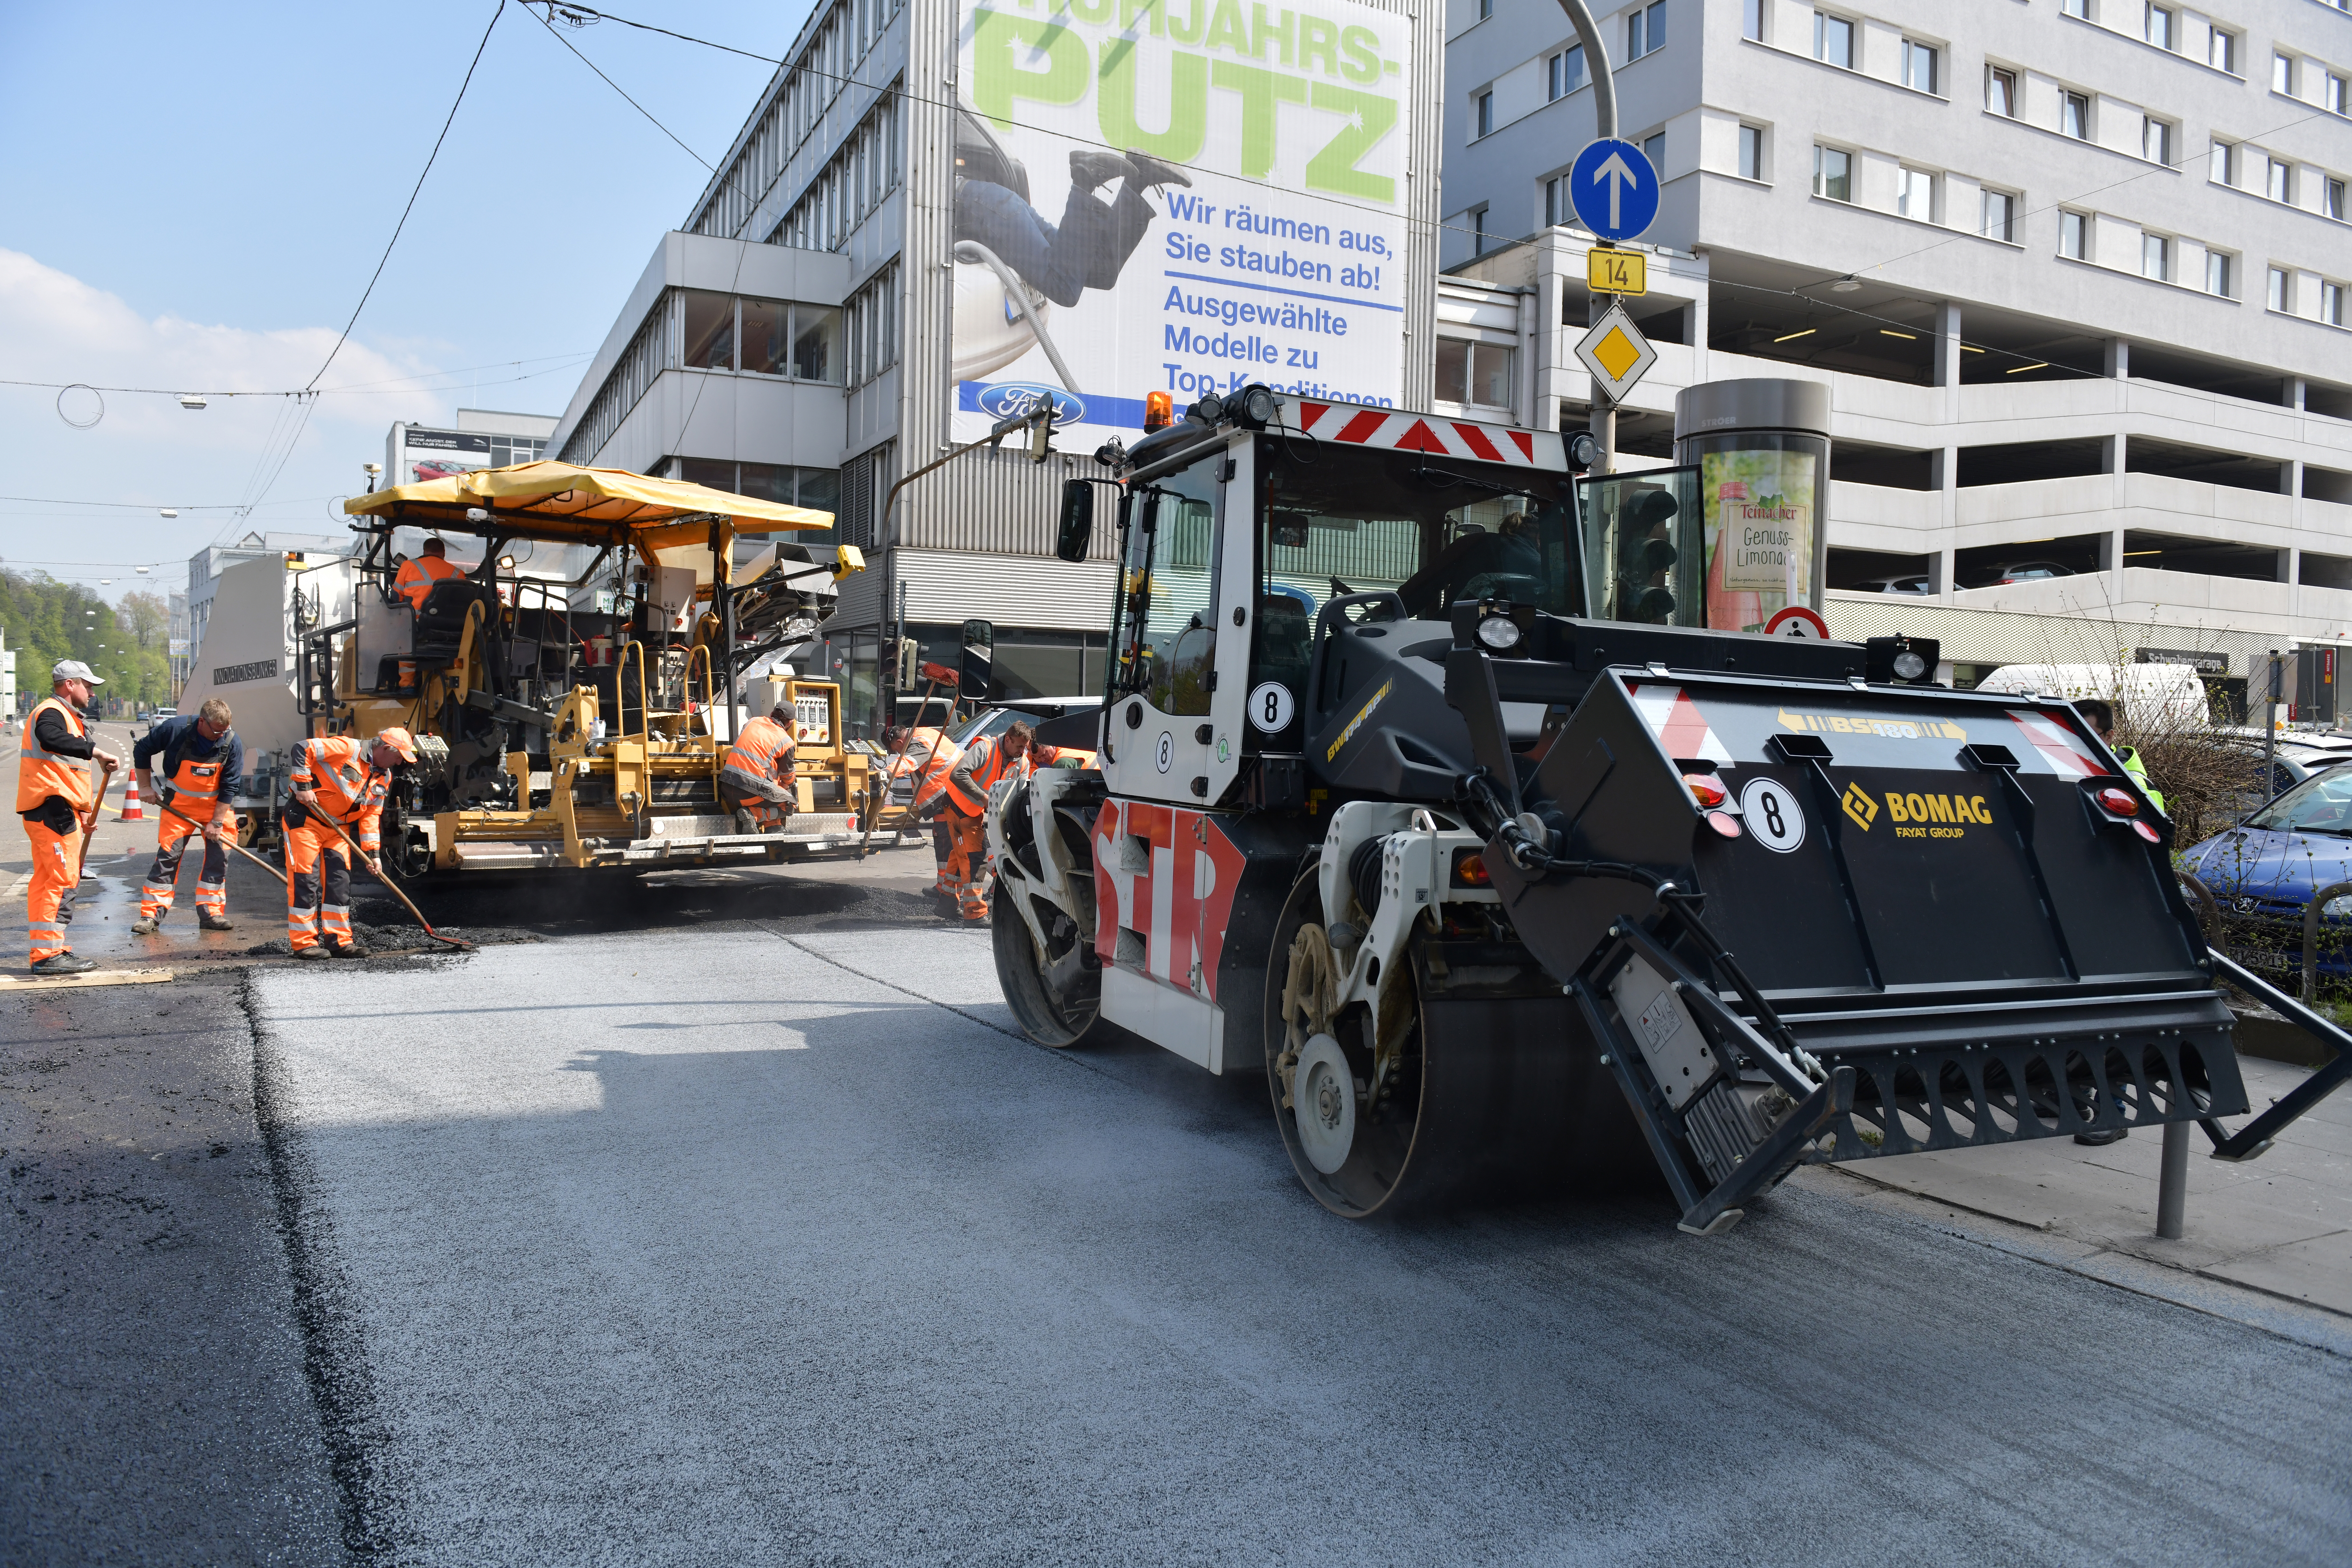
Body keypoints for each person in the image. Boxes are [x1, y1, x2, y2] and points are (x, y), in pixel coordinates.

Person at [955, 118, 1191, 310]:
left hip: (983, 206)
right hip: (996, 202)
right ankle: (1138, 182)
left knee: (1064, 287)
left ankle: (1084, 180)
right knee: (1102, 272)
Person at [16, 661, 120, 975]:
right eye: (87, 686)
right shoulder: (52, 712)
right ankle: (49, 954)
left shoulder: (69, 717)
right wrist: (96, 751)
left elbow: (66, 772)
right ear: (69, 684)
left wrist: (81, 814)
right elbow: (49, 738)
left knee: (47, 881)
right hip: (52, 809)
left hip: (56, 810)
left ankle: (47, 950)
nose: (91, 692)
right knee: (61, 881)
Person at [285, 728, 417, 959]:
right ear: (385, 748)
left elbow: (370, 816)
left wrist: (373, 854)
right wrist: (304, 786)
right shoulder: (348, 748)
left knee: (340, 883)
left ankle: (339, 941)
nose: (399, 762)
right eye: (398, 757)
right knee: (305, 881)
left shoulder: (384, 777)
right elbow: (302, 749)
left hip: (338, 831)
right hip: (306, 820)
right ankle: (304, 944)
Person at [130, 697, 243, 935]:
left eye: (225, 731)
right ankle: (150, 915)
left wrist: (217, 822)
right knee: (167, 859)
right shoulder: (175, 730)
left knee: (217, 862)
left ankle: (212, 914)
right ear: (202, 722)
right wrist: (144, 787)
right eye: (216, 732)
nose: (221, 736)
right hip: (179, 808)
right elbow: (142, 749)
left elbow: (231, 787)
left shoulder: (231, 742)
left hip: (217, 809)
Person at [926, 721, 1032, 922]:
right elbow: (958, 774)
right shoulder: (985, 748)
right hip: (958, 805)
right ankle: (975, 913)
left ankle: (947, 904)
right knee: (976, 858)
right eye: (1019, 746)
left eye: (1025, 747)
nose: (1022, 751)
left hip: (975, 812)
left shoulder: (1022, 763)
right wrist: (983, 797)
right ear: (1008, 740)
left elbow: (1017, 793)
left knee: (960, 854)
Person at [720, 703, 800, 834]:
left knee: (772, 789)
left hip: (727, 789)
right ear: (790, 722)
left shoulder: (753, 722)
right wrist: (787, 786)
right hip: (749, 793)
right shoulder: (786, 742)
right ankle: (754, 814)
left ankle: (774, 828)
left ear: (772, 715)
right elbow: (787, 775)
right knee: (789, 803)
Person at [2075, 698, 2165, 811]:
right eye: (2071, 735)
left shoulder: (2136, 785)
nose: (2077, 743)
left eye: (2088, 736)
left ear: (2109, 737)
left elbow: (2154, 827)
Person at [394, 537, 463, 612]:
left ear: (424, 551)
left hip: (413, 620)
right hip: (446, 621)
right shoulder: (458, 573)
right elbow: (462, 602)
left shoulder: (408, 566)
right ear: (444, 553)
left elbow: (396, 596)